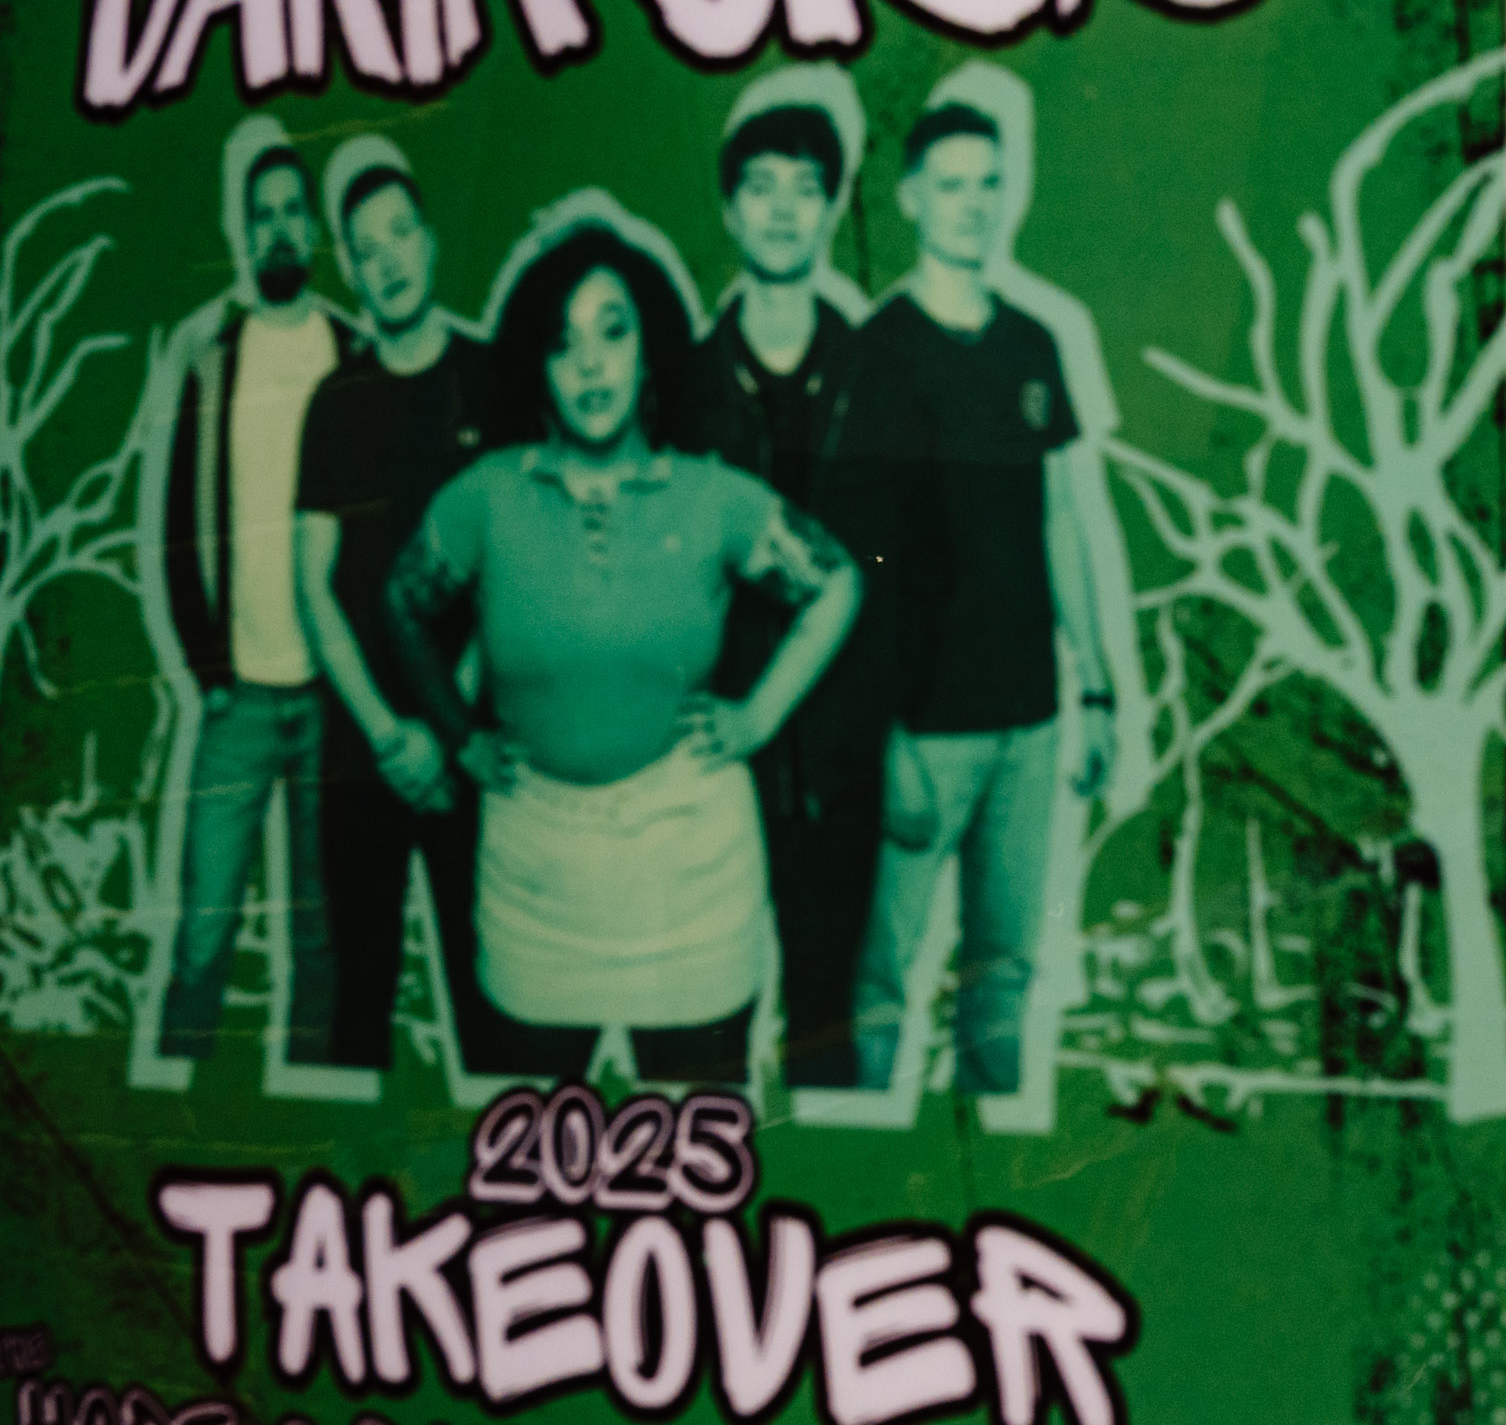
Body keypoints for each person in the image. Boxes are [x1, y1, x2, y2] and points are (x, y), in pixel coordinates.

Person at [385, 194, 861, 1084]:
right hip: (535, 879)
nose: (590, 363)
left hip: (691, 874)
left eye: (613, 331)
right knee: (529, 1166)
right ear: (537, 368)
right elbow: (402, 605)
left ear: (650, 359)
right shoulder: (486, 495)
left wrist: (757, 718)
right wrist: (460, 736)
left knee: (693, 1162)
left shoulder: (709, 495)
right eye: (564, 343)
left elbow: (838, 581)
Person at [831, 104, 1116, 1095]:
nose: (971, 204)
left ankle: (985, 1180)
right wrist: (884, 732)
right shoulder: (878, 351)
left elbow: (1060, 523)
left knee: (1002, 977)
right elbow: (853, 565)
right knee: (876, 982)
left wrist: (1100, 691)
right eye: (949, 184)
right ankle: (854, 1174)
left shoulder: (1032, 343)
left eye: (987, 182)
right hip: (922, 727)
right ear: (909, 198)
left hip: (1029, 723)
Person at [682, 67, 885, 1088]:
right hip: (710, 744)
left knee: (825, 1021)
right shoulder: (682, 378)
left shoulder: (871, 366)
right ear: (728, 206)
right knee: (705, 1021)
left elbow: (896, 558)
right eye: (760, 184)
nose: (781, 207)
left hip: (841, 752)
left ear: (835, 206)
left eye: (805, 186)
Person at [292, 136, 506, 1072]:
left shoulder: (492, 379)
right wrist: (387, 731)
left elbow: (516, 567)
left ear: (428, 240)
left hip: (471, 749)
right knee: (358, 1020)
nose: (386, 262)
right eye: (365, 250)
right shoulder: (333, 400)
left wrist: (442, 723)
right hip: (361, 754)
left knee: (492, 1011)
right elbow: (313, 583)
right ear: (350, 267)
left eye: (398, 236)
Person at [157, 117, 357, 1064]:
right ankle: (166, 1114)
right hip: (238, 698)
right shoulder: (209, 355)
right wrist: (208, 672)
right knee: (202, 930)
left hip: (330, 701)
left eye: (292, 213)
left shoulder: (354, 355)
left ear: (313, 230)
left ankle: (310, 1141)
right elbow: (169, 529)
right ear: (243, 234)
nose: (278, 230)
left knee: (321, 944)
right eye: (262, 215)